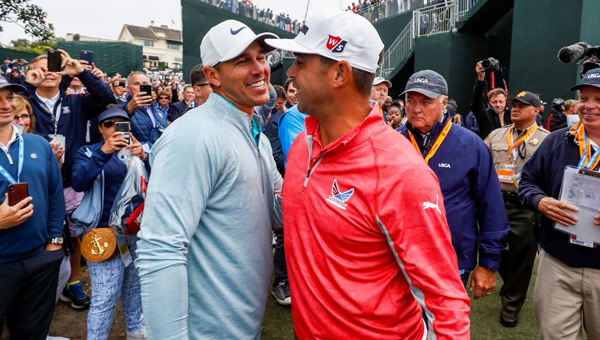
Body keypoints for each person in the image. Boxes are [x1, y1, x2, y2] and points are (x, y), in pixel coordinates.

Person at [265, 11, 470, 339]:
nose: (290, 72)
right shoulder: (304, 143)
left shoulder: (400, 171)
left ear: (339, 73)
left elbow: (445, 301)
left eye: (301, 62)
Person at [135, 20, 283, 339]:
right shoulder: (193, 135)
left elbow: (272, 212)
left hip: (243, 325)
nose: (259, 68)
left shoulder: (252, 130)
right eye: (242, 60)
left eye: (261, 57)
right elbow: (160, 248)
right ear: (212, 75)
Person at [398, 70, 509, 295]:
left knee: (446, 327)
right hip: (399, 258)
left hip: (451, 259)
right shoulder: (392, 141)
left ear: (444, 102)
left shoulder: (470, 144)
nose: (416, 108)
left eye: (426, 102)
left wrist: (488, 262)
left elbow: (491, 206)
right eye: (411, 101)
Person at [24, 49, 116, 310]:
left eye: (53, 67)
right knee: (43, 238)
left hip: (70, 184)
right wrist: (26, 83)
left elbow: (107, 99)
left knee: (74, 235)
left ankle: (73, 281)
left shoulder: (74, 102)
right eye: (42, 68)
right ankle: (37, 289)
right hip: (37, 187)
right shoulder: (24, 102)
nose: (48, 72)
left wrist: (82, 73)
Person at [518, 68, 600, 340]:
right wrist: (540, 201)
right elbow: (527, 181)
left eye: (598, 100)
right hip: (558, 262)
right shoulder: (556, 140)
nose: (589, 106)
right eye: (583, 98)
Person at [71, 107, 148, 340]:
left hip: (138, 230)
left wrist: (147, 159)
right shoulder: (88, 151)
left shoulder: (141, 148)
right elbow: (78, 182)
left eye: (122, 122)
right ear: (100, 128)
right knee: (105, 297)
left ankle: (135, 330)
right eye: (109, 123)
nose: (116, 127)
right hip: (103, 232)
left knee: (135, 289)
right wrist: (103, 152)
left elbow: (161, 181)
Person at [0, 75, 65, 340]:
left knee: (31, 334)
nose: (5, 105)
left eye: (8, 97)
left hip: (40, 259)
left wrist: (54, 243)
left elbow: (55, 194)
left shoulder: (38, 143)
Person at [484, 90, 549, 327]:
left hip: (525, 206)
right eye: (514, 104)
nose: (515, 108)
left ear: (536, 110)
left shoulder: (546, 140)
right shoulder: (496, 135)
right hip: (496, 203)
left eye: (522, 105)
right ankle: (511, 286)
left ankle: (511, 305)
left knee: (521, 257)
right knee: (496, 252)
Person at [123, 72, 167, 145]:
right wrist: (128, 109)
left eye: (145, 83)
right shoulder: (122, 109)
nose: (141, 86)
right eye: (136, 84)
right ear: (128, 89)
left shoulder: (157, 110)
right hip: (137, 153)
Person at [471, 60, 511, 139]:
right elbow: (476, 104)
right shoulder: (485, 116)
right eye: (494, 102)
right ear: (489, 103)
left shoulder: (511, 116)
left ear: (506, 102)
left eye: (501, 102)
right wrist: (480, 79)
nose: (498, 105)